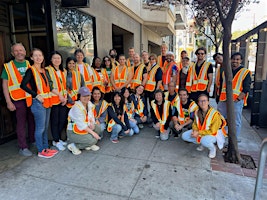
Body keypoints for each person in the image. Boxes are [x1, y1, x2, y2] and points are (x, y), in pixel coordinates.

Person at [20, 48, 58, 158]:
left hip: (47, 102)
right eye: (35, 56)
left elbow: (49, 87)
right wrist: (36, 95)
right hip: (37, 103)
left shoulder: (44, 71)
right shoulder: (30, 70)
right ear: (31, 58)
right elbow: (22, 85)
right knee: (40, 128)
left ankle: (46, 148)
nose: (38, 58)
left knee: (45, 128)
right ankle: (41, 150)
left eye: (40, 55)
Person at [1, 43, 35, 157]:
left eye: (21, 50)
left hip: (30, 98)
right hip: (17, 99)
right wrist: (8, 102)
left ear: (25, 52)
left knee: (32, 121)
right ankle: (23, 147)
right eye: (16, 51)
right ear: (12, 53)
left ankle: (33, 141)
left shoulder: (29, 64)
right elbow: (4, 85)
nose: (19, 52)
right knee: (20, 123)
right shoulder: (8, 66)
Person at [217, 52, 251, 142]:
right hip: (223, 99)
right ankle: (220, 137)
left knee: (235, 121)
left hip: (236, 101)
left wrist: (238, 99)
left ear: (241, 61)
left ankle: (233, 140)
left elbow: (246, 88)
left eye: (237, 59)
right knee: (220, 119)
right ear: (230, 60)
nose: (235, 61)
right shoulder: (225, 71)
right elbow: (221, 85)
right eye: (233, 59)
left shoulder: (245, 72)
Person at [182, 94, 227, 158]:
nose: (202, 103)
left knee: (204, 140)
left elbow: (213, 131)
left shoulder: (215, 114)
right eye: (200, 101)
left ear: (208, 102)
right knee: (185, 136)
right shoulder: (197, 111)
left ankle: (212, 149)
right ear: (198, 103)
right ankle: (202, 143)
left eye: (204, 101)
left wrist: (198, 133)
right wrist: (194, 131)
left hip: (214, 134)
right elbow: (195, 123)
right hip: (201, 131)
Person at [67, 87, 101, 155]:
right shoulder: (76, 108)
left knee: (98, 128)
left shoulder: (89, 104)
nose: (86, 97)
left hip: (84, 128)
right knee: (93, 139)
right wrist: (93, 133)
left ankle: (87, 143)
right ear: (79, 96)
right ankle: (74, 146)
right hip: (73, 132)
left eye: (88, 95)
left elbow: (91, 117)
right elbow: (81, 125)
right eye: (84, 96)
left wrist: (92, 125)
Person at [46, 51, 68, 151]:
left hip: (63, 100)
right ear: (51, 59)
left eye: (58, 58)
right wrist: (60, 96)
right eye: (54, 58)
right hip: (54, 99)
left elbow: (64, 85)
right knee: (55, 121)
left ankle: (58, 138)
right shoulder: (47, 70)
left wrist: (65, 97)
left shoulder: (63, 71)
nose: (57, 60)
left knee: (62, 120)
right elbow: (50, 86)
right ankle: (56, 141)